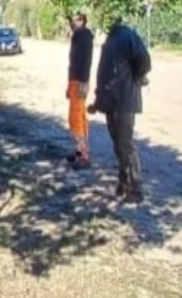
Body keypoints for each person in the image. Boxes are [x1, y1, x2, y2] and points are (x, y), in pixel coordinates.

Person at [87, 17, 152, 203]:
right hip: (111, 102)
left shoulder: (127, 36)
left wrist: (137, 77)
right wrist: (98, 102)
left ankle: (136, 189)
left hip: (124, 101)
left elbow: (144, 61)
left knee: (125, 145)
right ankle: (124, 184)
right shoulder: (110, 40)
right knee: (119, 146)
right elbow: (104, 75)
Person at [65, 12, 94, 169]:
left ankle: (83, 154)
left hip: (79, 82)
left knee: (75, 119)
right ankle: (80, 150)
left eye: (75, 20)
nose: (72, 22)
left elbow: (85, 61)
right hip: (75, 81)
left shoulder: (83, 35)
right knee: (80, 116)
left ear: (82, 20)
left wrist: (83, 82)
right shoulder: (80, 35)